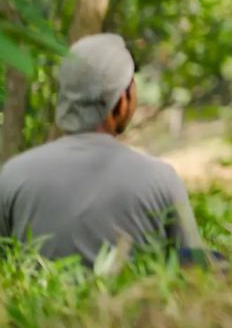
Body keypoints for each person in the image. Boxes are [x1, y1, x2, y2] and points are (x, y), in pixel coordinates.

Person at [0, 34, 204, 266]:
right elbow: (194, 269)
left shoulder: (13, 175)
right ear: (121, 100)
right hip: (129, 303)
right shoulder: (160, 179)